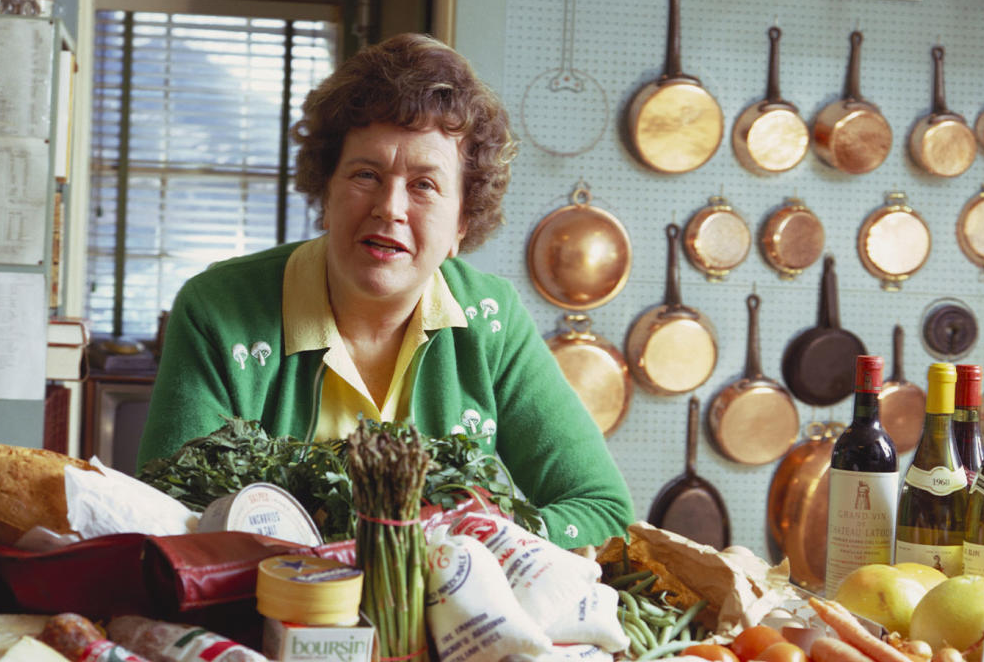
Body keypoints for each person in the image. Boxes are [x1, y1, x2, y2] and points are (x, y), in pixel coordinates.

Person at [137, 33, 633, 548]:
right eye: (366, 174)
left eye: (424, 185)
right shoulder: (218, 308)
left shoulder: (493, 321)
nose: (390, 207)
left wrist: (483, 539)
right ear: (326, 192)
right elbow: (169, 513)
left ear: (463, 220)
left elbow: (604, 511)